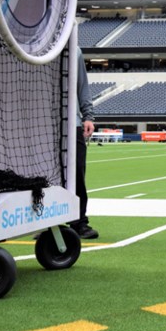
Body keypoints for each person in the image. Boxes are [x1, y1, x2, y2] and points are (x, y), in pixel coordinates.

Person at [71, 48, 98, 239]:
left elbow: (82, 85)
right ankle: (50, 224)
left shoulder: (74, 50)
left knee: (77, 173)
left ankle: (79, 222)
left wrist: (87, 115)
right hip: (44, 125)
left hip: (72, 123)